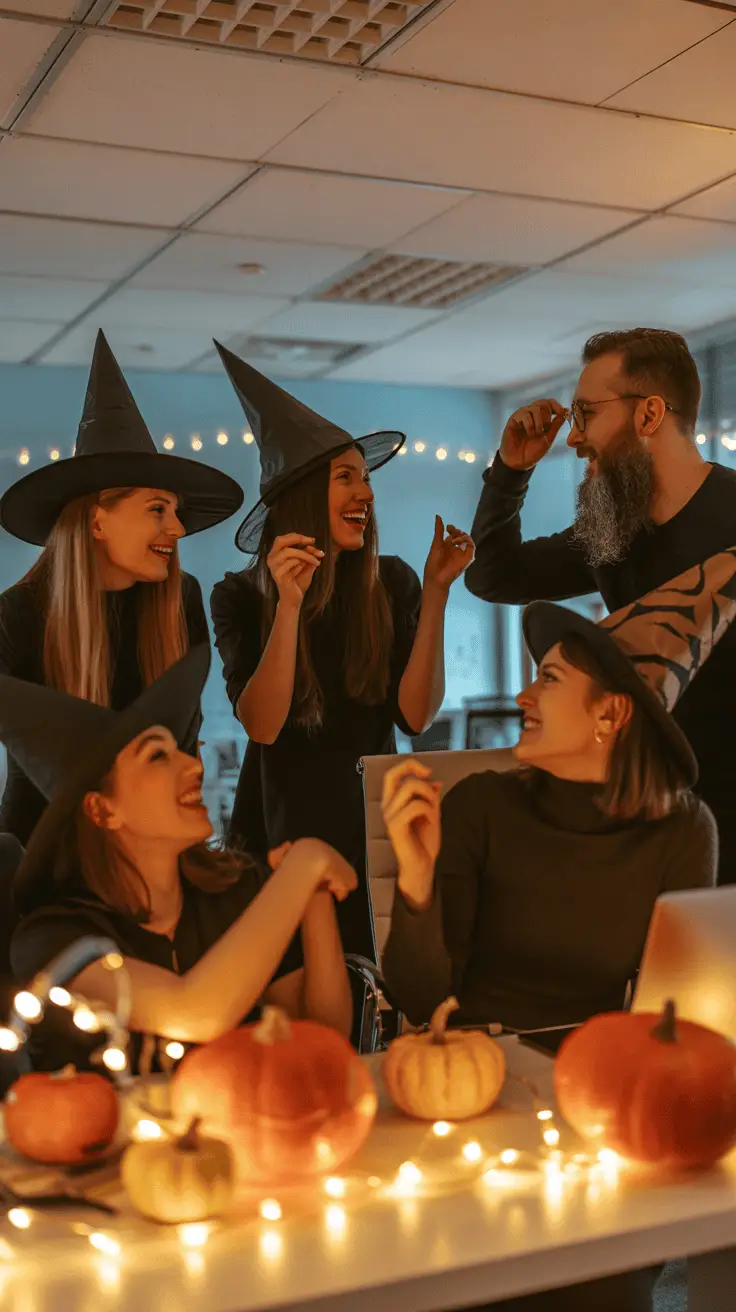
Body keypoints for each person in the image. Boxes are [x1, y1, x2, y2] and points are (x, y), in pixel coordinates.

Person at [382, 552, 736, 1312]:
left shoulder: (682, 831)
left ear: (611, 714)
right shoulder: (480, 807)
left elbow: (677, 1014)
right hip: (475, 1099)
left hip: (604, 1112)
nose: (521, 694)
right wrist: (414, 886)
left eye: (547, 679)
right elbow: (420, 999)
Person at [210, 343, 474, 962]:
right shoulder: (240, 596)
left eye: (367, 477)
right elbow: (263, 723)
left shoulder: (396, 583)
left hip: (373, 821)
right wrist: (289, 605)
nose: (367, 493)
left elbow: (415, 717)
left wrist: (437, 592)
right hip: (279, 827)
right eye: (346, 477)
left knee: (373, 984)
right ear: (302, 496)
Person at [464, 328, 736, 886]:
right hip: (649, 825)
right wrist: (512, 470)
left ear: (649, 414)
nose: (574, 437)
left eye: (586, 413)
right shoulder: (612, 536)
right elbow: (493, 574)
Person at [2, 647, 355, 1074]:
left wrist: (313, 895)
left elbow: (326, 1036)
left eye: (182, 750)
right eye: (157, 756)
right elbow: (194, 1011)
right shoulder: (56, 939)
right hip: (107, 1138)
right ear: (101, 810)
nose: (193, 766)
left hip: (234, 1133)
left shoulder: (234, 892)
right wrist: (302, 869)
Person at [0, 331, 243, 847]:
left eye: (175, 512)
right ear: (96, 521)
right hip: (47, 859)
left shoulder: (182, 600)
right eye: (158, 509)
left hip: (156, 855)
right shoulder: (17, 616)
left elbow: (185, 750)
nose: (177, 529)